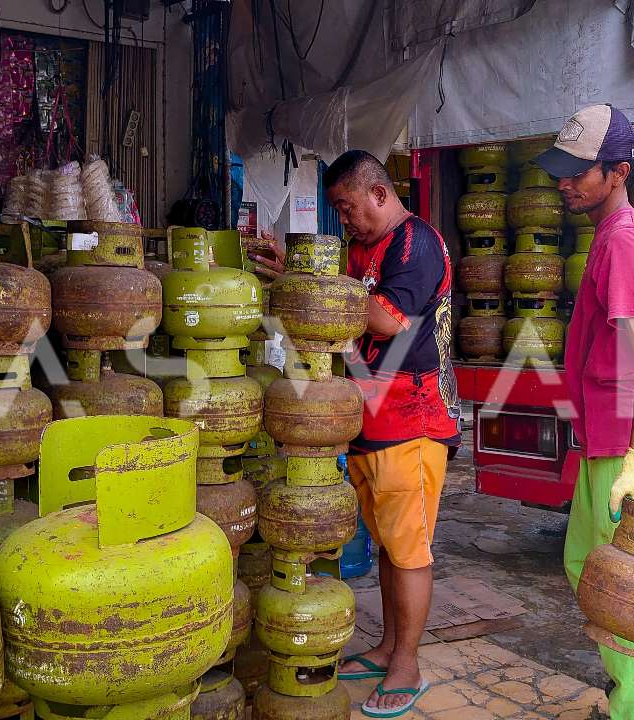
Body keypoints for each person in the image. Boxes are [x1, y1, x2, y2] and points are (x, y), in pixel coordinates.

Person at [250, 149, 459, 718]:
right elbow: (346, 302)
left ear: (378, 194)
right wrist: (300, 274)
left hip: (412, 419)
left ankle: (408, 664)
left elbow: (386, 320)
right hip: (370, 415)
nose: (343, 220)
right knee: (389, 546)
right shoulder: (366, 248)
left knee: (409, 550)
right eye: (337, 210)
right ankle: (391, 645)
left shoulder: (415, 244)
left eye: (346, 207)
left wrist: (310, 281)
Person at [533, 104, 634, 720]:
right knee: (589, 570)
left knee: (630, 605)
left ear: (619, 172)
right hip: (610, 444)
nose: (564, 183)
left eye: (579, 172)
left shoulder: (622, 240)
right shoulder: (625, 233)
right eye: (561, 171)